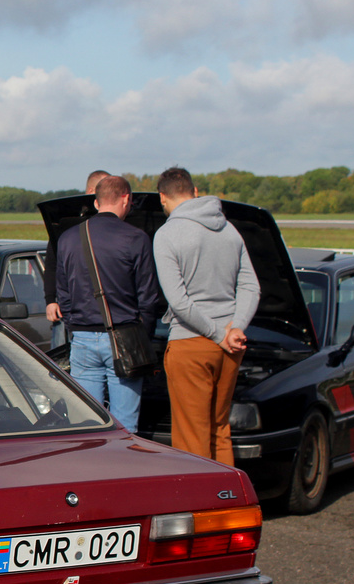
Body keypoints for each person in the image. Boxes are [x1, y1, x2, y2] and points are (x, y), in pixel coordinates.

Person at [153, 166, 260, 465]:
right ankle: (227, 504)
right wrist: (234, 328)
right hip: (231, 343)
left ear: (163, 197)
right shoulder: (229, 229)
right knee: (219, 430)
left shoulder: (167, 235)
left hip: (191, 343)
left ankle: (198, 507)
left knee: (191, 438)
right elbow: (251, 285)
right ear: (195, 191)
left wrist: (216, 334)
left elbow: (179, 302)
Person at [55, 175, 158, 432]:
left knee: (86, 424)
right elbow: (148, 296)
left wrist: (74, 324)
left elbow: (63, 293)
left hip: (82, 338)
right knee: (125, 427)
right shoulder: (136, 238)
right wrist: (143, 337)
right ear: (126, 199)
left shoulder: (67, 238)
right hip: (125, 338)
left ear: (96, 201)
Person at [44, 169, 110, 345]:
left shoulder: (113, 225)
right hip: (66, 308)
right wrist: (50, 300)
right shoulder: (66, 226)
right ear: (91, 192)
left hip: (104, 310)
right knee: (59, 359)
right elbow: (52, 263)